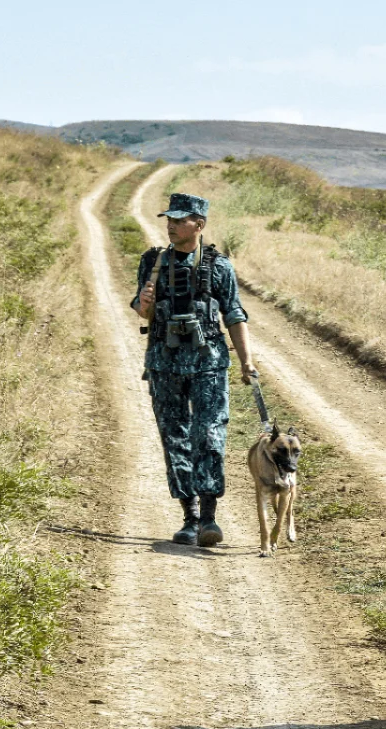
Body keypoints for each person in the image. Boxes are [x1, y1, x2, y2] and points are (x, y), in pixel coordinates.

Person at [132, 192, 256, 547]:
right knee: (175, 437)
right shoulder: (152, 261)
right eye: (168, 220)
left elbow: (234, 313)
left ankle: (209, 518)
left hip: (208, 364)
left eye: (179, 220)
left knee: (210, 435)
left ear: (198, 225)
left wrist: (247, 361)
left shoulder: (219, 266)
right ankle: (188, 517)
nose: (170, 226)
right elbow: (142, 311)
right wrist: (144, 305)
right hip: (164, 363)